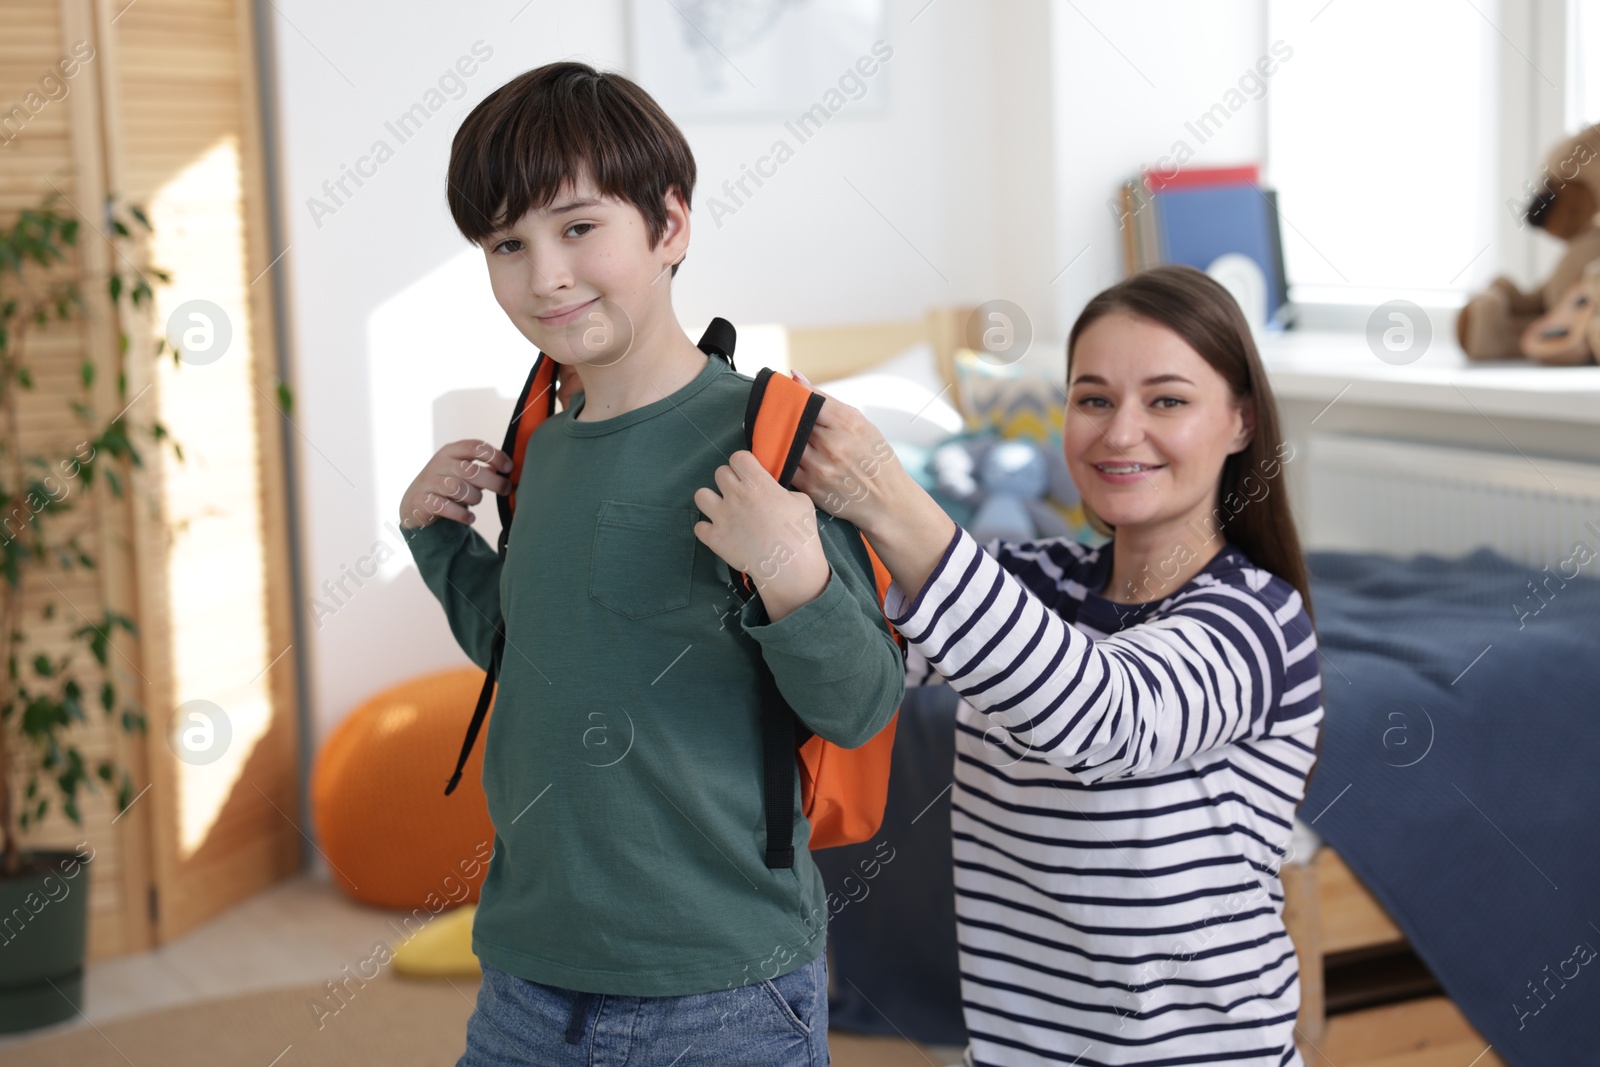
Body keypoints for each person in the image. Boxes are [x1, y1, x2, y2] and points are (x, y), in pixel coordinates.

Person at [397, 61, 904, 1066]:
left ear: (669, 226)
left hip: (724, 989)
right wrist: (436, 538)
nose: (544, 274)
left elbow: (859, 704)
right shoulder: (539, 436)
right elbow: (529, 644)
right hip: (527, 977)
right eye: (507, 243)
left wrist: (794, 570)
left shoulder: (771, 439)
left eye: (578, 228)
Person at [742, 264, 1325, 1065]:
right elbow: (850, 656)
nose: (1120, 432)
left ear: (1241, 421)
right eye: (1093, 399)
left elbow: (1105, 719)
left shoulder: (1260, 619)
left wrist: (887, 493)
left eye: (1167, 400)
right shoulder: (1031, 579)